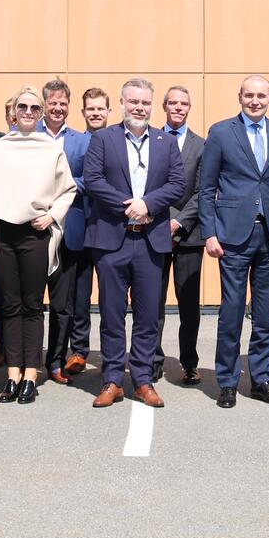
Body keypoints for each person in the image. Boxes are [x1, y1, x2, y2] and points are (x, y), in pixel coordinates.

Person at [198, 75, 269, 409]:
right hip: (233, 236)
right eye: (249, 95)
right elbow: (206, 188)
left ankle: (261, 380)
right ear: (239, 97)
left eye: (261, 96)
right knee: (231, 311)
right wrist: (209, 232)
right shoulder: (221, 132)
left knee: (264, 313)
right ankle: (227, 382)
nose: (255, 101)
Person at [82, 78, 185, 408]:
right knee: (112, 314)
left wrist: (148, 205)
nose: (139, 107)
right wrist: (129, 205)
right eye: (134, 101)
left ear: (151, 106)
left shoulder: (166, 142)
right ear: (122, 103)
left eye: (145, 102)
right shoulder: (103, 138)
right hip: (111, 240)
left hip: (150, 242)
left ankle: (142, 379)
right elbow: (93, 180)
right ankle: (112, 379)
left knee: (147, 316)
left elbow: (178, 183)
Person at [0, 87, 77, 405]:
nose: (28, 112)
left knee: (32, 306)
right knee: (9, 306)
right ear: (13, 113)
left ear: (40, 113)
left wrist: (52, 216)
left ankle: (31, 374)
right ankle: (12, 374)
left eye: (34, 108)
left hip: (35, 234)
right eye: (22, 107)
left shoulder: (51, 149)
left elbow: (68, 190)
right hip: (4, 233)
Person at [40, 79, 91, 386]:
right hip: (34, 229)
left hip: (69, 228)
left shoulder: (82, 141)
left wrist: (63, 188)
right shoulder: (29, 136)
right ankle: (26, 361)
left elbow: (91, 178)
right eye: (53, 103)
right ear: (44, 105)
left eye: (63, 104)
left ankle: (56, 361)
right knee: (31, 303)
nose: (58, 108)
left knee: (63, 305)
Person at [155, 85, 205, 384]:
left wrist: (178, 222)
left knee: (188, 305)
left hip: (189, 235)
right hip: (153, 232)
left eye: (183, 103)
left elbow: (203, 191)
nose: (177, 107)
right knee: (153, 302)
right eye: (172, 102)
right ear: (164, 106)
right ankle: (153, 359)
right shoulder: (150, 140)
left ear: (189, 108)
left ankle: (189, 362)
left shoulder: (202, 145)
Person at [61, 85, 111, 376]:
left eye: (100, 108)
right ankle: (78, 350)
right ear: (83, 112)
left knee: (111, 295)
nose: (95, 113)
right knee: (79, 295)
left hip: (109, 227)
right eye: (90, 109)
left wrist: (86, 183)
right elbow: (68, 179)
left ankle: (111, 352)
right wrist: (88, 183)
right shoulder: (75, 143)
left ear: (108, 111)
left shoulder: (117, 141)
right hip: (79, 226)